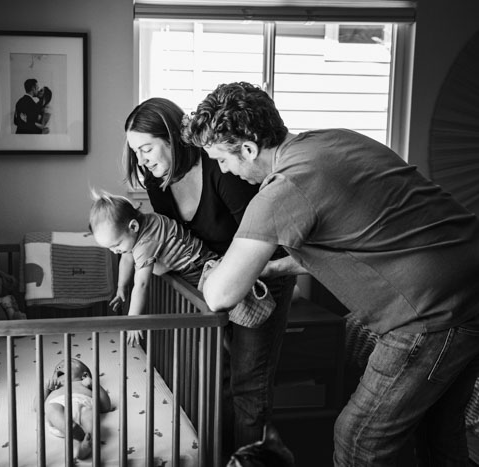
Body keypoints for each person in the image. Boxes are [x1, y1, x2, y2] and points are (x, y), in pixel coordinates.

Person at [183, 81, 479, 466]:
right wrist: (271, 266)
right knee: (440, 430)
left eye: (222, 159)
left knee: (358, 438)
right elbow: (353, 238)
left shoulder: (281, 189)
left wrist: (211, 271)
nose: (223, 170)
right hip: (470, 286)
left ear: (249, 148)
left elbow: (220, 295)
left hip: (430, 313)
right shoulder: (329, 142)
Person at [121, 97, 296, 452]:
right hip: (212, 278)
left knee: (249, 383)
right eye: (135, 152)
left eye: (146, 148)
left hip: (262, 277)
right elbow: (178, 237)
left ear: (170, 137)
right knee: (218, 376)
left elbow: (262, 240)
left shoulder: (220, 169)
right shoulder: (158, 180)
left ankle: (251, 459)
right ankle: (222, 454)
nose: (142, 160)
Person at [89, 190, 275, 346]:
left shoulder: (146, 243)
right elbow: (126, 257)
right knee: (218, 316)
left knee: (220, 313)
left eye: (116, 245)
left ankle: (236, 332)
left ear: (133, 226)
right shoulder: (141, 227)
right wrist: (121, 287)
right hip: (197, 263)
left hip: (199, 268)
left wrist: (133, 322)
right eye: (111, 248)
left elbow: (142, 283)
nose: (115, 251)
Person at [40, 358, 111, 460]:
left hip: (84, 404)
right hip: (59, 407)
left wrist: (94, 384)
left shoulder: (84, 384)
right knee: (52, 408)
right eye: (56, 368)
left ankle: (85, 444)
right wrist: (45, 388)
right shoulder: (54, 388)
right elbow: (37, 407)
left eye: (67, 363)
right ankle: (69, 427)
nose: (59, 367)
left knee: (90, 414)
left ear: (84, 375)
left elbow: (106, 406)